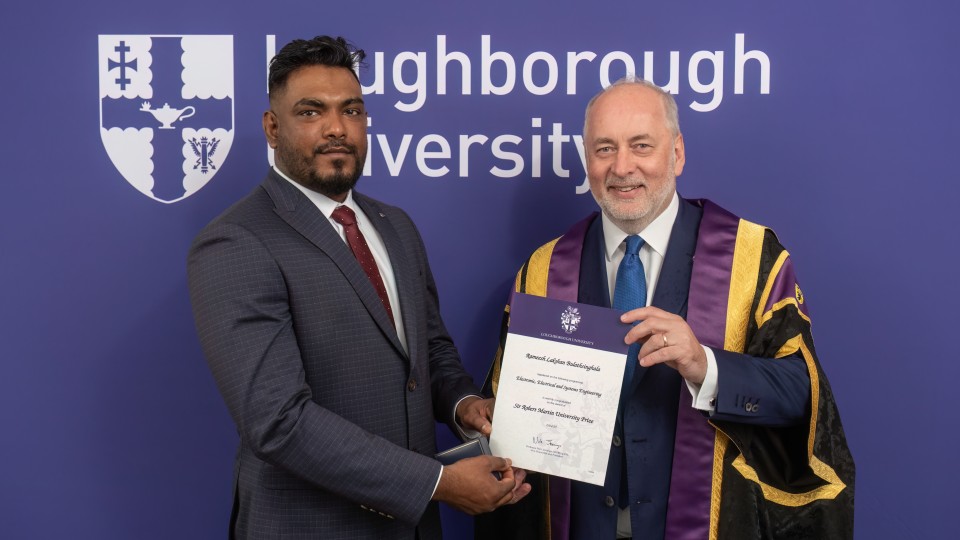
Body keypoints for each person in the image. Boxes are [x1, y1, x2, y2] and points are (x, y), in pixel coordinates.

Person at [476, 77, 854, 539]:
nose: (622, 167)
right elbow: (508, 419)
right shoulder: (542, 269)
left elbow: (804, 397)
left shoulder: (753, 258)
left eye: (641, 145)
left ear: (676, 153)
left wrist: (706, 366)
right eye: (604, 149)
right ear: (587, 160)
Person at [187, 36, 528, 540]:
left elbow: (429, 352)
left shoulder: (395, 226)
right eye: (311, 112)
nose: (336, 128)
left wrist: (464, 406)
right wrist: (437, 483)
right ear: (272, 127)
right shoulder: (237, 241)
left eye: (351, 110)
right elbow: (278, 422)